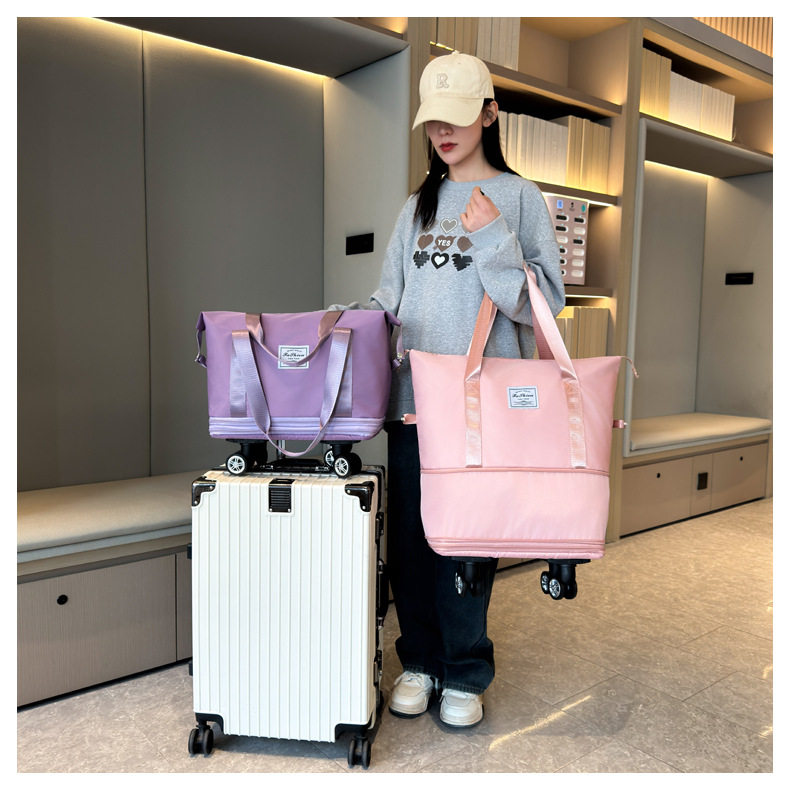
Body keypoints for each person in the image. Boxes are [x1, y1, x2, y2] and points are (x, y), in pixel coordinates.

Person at [333, 51, 564, 728]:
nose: (442, 132)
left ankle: (464, 670)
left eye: (456, 117)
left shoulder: (520, 199)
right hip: (413, 401)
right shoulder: (418, 205)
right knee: (410, 540)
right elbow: (390, 297)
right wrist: (344, 324)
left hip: (482, 404)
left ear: (490, 114)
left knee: (464, 541)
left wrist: (492, 236)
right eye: (432, 120)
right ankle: (421, 662)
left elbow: (542, 304)